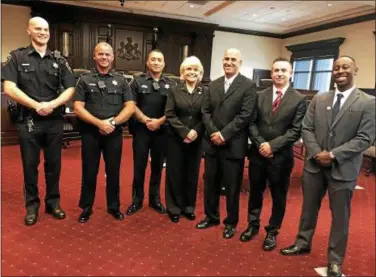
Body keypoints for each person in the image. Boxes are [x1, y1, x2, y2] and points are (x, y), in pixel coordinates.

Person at [280, 56, 376, 277]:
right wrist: (316, 153)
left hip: (343, 169)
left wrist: (333, 155)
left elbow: (365, 138)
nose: (340, 71)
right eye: (336, 68)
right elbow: (307, 128)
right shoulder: (319, 98)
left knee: (340, 217)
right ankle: (302, 243)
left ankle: (335, 260)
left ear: (355, 70)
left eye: (345, 67)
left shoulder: (368, 102)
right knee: (307, 210)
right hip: (314, 167)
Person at [2, 17, 75, 226]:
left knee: (54, 164)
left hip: (53, 120)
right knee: (30, 165)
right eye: (38, 29)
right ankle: (32, 206)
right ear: (29, 31)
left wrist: (52, 104)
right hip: (29, 120)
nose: (43, 32)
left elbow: (70, 88)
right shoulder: (17, 56)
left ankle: (53, 203)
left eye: (46, 29)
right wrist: (36, 105)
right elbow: (9, 88)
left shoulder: (59, 60)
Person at [240, 57, 307, 250]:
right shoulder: (259, 95)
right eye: (276, 70)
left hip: (281, 157)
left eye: (284, 71)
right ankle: (252, 225)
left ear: (290, 74)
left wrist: (272, 146)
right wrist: (262, 144)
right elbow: (251, 122)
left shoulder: (299, 99)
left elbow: (296, 130)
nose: (279, 74)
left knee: (279, 196)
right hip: (257, 155)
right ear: (271, 73)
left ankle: (272, 231)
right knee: (255, 193)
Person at [196, 48, 257, 239]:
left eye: (233, 59)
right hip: (212, 144)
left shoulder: (248, 86)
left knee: (232, 188)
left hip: (233, 145)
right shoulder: (212, 85)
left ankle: (231, 222)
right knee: (210, 184)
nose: (229, 62)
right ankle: (211, 216)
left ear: (240, 63)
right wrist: (214, 133)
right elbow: (205, 112)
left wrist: (224, 134)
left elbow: (245, 115)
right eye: (226, 59)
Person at [73, 42, 135, 223]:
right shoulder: (84, 80)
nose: (104, 57)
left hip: (114, 133)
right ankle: (86, 207)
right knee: (89, 171)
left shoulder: (122, 80)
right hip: (90, 133)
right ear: (94, 56)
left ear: (113, 57)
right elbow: (77, 108)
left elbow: (130, 106)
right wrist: (99, 123)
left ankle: (113, 206)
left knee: (113, 171)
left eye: (108, 54)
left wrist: (113, 122)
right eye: (100, 54)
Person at [126, 49, 176, 216]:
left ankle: (155, 199)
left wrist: (159, 122)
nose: (156, 62)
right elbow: (131, 106)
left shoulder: (171, 84)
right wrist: (147, 121)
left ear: (164, 64)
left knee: (157, 167)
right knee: (139, 166)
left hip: (162, 132)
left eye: (159, 60)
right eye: (153, 59)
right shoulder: (137, 82)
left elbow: (173, 109)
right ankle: (137, 199)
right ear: (147, 63)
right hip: (141, 131)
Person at [164, 56, 205, 223]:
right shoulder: (174, 90)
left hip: (197, 139)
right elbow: (169, 114)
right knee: (175, 172)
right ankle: (174, 207)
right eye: (189, 69)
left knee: (191, 173)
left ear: (200, 73)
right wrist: (185, 132)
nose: (192, 72)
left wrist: (195, 131)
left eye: (195, 69)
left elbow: (206, 115)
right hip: (176, 138)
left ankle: (189, 207)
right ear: (182, 72)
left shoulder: (205, 91)